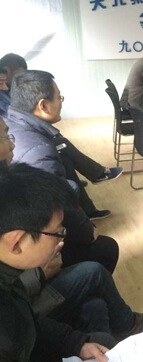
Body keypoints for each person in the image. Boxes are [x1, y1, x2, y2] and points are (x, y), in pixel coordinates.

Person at [0, 163, 143, 362]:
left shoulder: (9, 277)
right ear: (16, 242)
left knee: (96, 311)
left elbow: (28, 322)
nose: (61, 240)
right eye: (57, 233)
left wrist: (76, 343)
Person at [5, 71, 120, 273]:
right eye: (59, 97)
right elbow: (61, 206)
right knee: (106, 248)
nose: (61, 102)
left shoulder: (14, 123)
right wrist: (88, 232)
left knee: (65, 158)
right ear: (43, 105)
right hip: (36, 241)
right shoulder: (38, 151)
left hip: (25, 225)